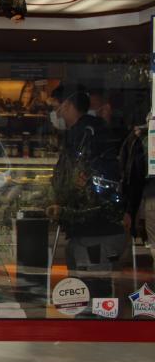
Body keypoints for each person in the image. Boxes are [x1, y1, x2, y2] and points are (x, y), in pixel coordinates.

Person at [47, 87, 126, 300]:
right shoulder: (92, 130)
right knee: (87, 286)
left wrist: (62, 204)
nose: (57, 114)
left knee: (92, 287)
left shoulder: (84, 134)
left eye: (57, 108)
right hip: (91, 226)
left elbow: (75, 179)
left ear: (68, 105)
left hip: (94, 227)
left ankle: (96, 327)